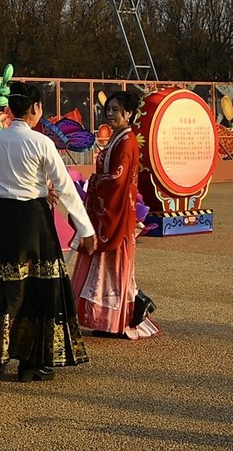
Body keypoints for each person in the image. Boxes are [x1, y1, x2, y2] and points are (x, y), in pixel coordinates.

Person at [0, 83, 97, 382]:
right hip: (32, 218)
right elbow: (66, 187)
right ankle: (31, 361)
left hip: (1, 216)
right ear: (36, 109)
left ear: (10, 109)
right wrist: (86, 228)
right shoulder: (42, 143)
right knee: (37, 288)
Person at [70, 90, 160, 338]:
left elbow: (118, 179)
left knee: (114, 268)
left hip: (117, 213)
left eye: (116, 110)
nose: (110, 114)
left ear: (128, 114)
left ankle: (117, 322)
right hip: (111, 209)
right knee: (104, 269)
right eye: (108, 109)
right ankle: (104, 320)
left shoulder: (127, 141)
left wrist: (96, 182)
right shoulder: (118, 138)